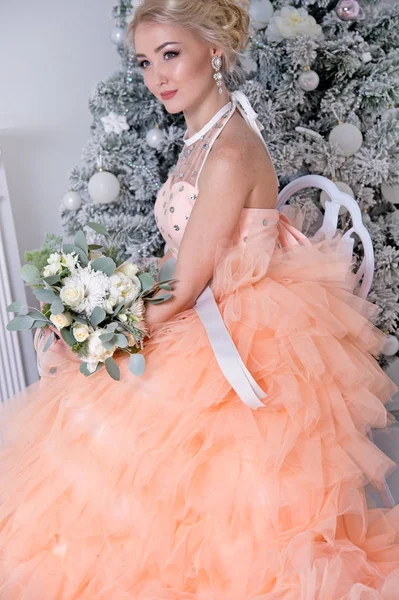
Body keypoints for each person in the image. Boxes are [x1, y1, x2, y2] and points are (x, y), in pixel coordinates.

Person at [1, 0, 399, 597]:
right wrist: (106, 302)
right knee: (99, 429)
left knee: (115, 420)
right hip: (208, 302)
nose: (156, 77)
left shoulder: (230, 151)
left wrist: (99, 334)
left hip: (241, 323)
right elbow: (184, 258)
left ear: (213, 50)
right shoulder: (204, 137)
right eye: (144, 61)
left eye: (170, 55)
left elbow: (187, 286)